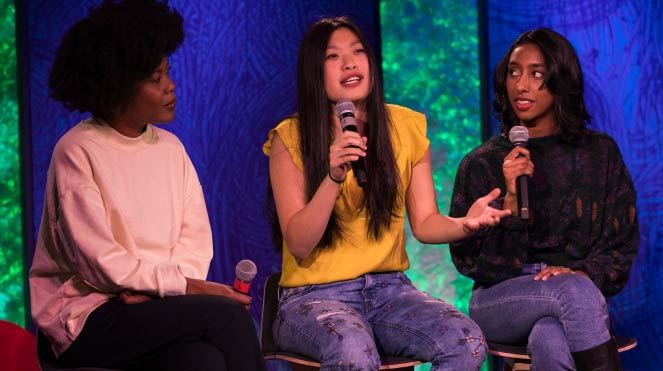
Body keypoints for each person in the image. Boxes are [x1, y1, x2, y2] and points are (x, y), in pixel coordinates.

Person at [263, 17, 511, 371]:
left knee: (465, 342)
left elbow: (425, 224)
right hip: (314, 297)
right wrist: (332, 178)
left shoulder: (405, 127)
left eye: (358, 51)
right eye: (333, 57)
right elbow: (300, 243)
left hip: (390, 291)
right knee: (353, 348)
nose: (350, 63)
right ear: (313, 73)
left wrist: (466, 224)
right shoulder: (289, 139)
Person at [29, 1, 266, 370]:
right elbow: (100, 263)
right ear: (119, 87)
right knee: (228, 316)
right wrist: (179, 288)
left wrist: (160, 289)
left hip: (155, 306)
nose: (171, 86)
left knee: (203, 361)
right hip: (86, 317)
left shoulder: (172, 149)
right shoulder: (76, 151)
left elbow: (194, 243)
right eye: (156, 79)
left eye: (167, 73)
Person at [449, 28, 638, 371]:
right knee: (572, 292)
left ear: (560, 80)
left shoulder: (599, 153)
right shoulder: (482, 162)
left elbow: (621, 244)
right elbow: (468, 262)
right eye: (514, 72)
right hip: (500, 299)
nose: (521, 86)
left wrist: (580, 272)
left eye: (536, 74)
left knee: (550, 339)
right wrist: (509, 200)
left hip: (577, 293)